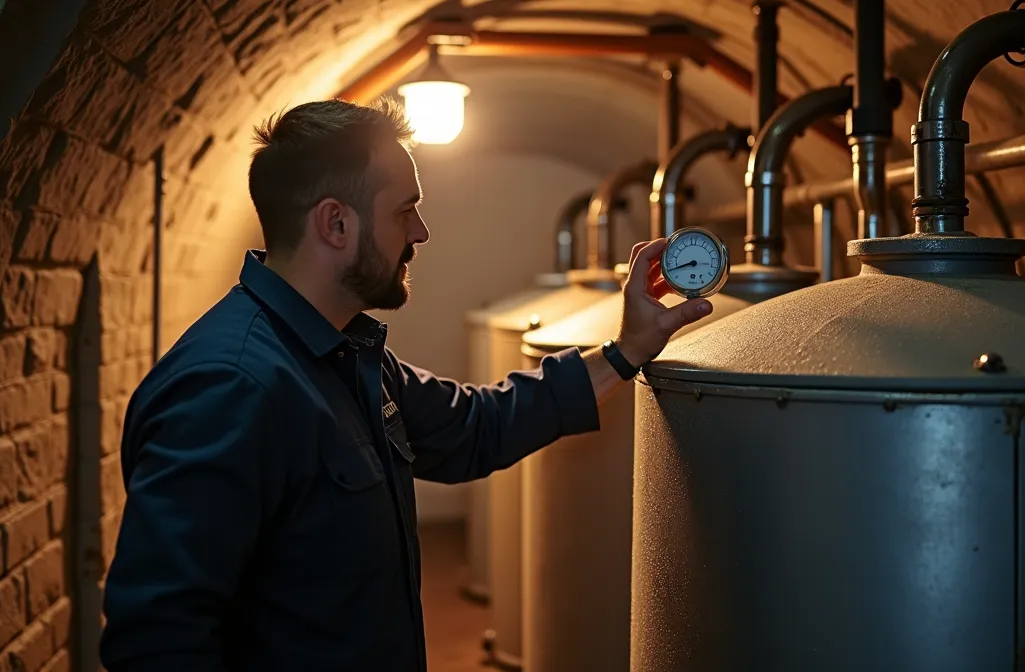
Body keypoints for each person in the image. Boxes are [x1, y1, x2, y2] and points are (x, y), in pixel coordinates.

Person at [97, 97, 714, 672]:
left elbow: (475, 426)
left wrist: (627, 350)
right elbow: (159, 641)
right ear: (335, 224)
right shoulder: (230, 387)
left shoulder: (344, 355)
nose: (419, 232)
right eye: (403, 210)